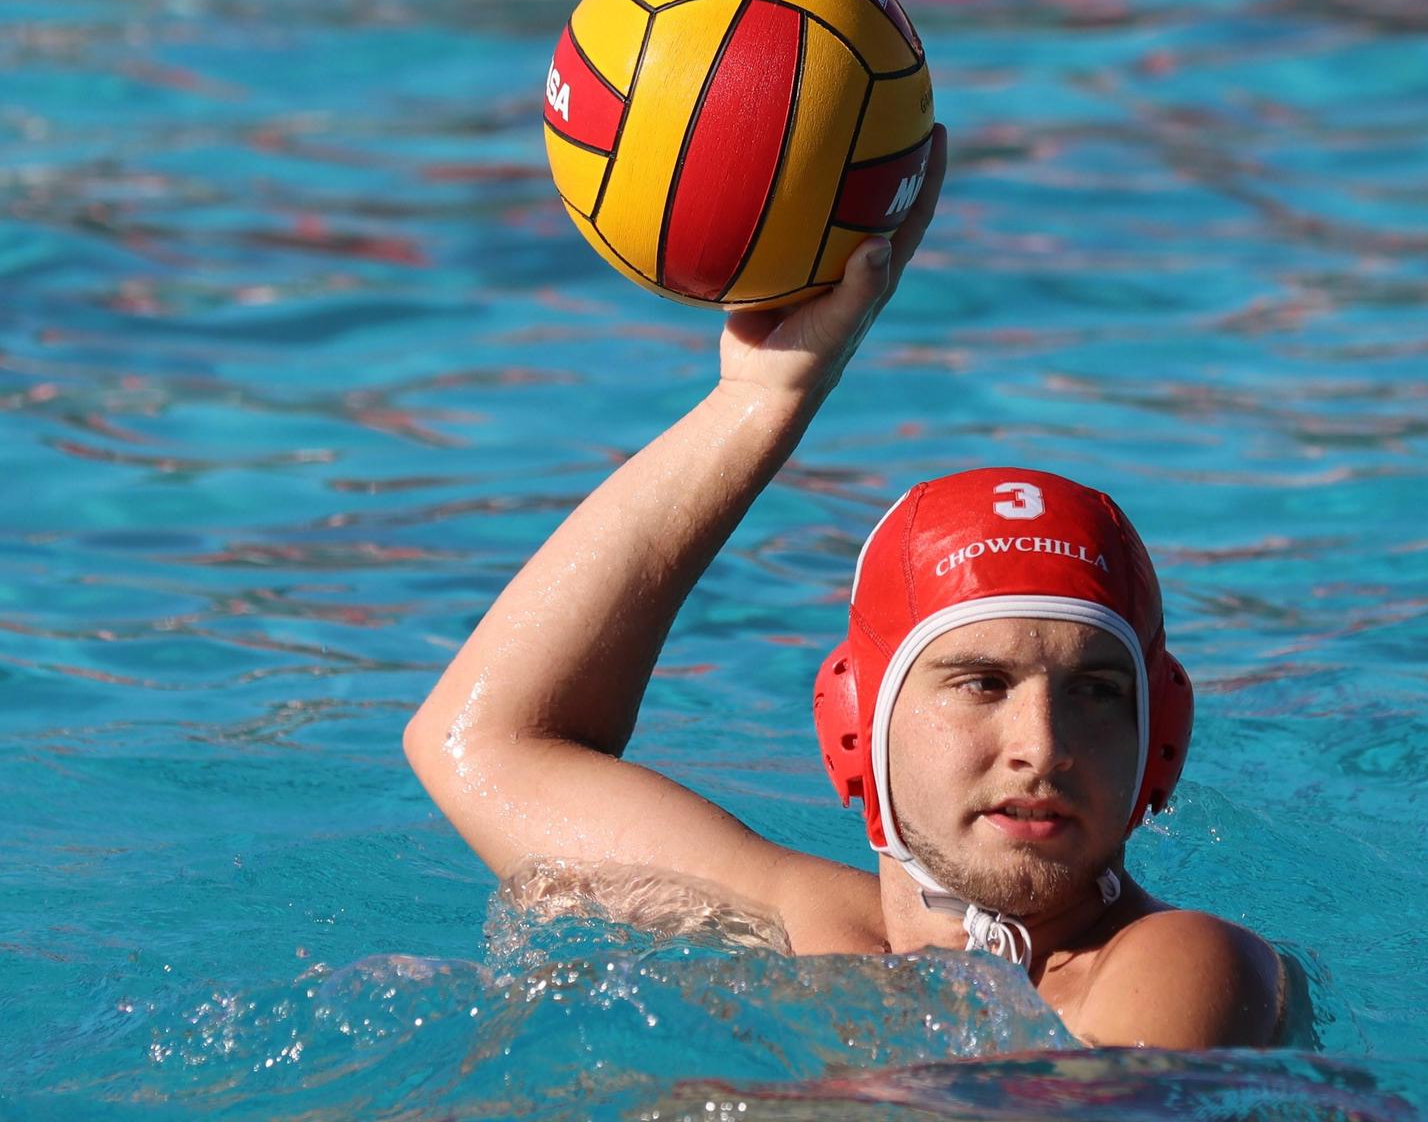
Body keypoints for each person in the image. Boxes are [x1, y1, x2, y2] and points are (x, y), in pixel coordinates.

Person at [404, 125, 1310, 1049]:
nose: (1042, 747)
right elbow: (481, 742)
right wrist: (759, 402)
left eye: (1096, 692)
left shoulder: (1182, 964)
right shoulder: (801, 926)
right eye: (981, 683)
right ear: (855, 723)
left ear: (1161, 743)